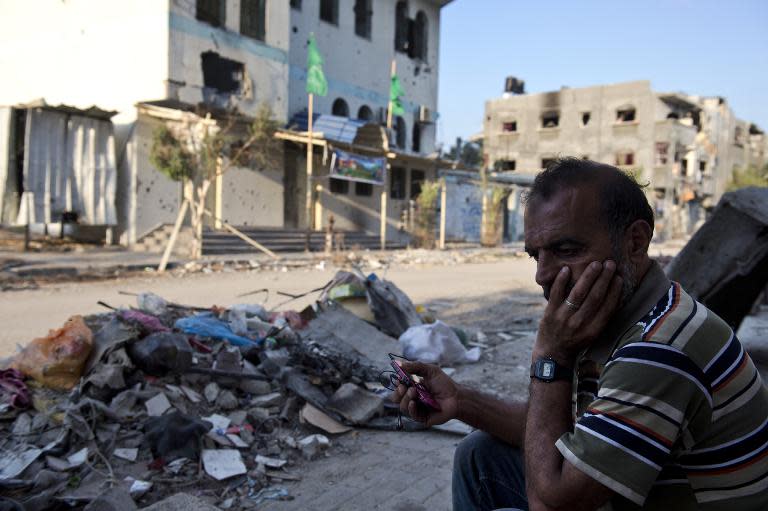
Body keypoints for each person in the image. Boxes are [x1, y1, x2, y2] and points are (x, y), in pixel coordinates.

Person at [392, 158, 768, 511]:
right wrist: (461, 401)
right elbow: (569, 431)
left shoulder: (659, 348)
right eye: (535, 255)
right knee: (478, 454)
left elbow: (551, 503)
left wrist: (550, 356)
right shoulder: (626, 313)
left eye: (566, 249)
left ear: (635, 242)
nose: (542, 274)